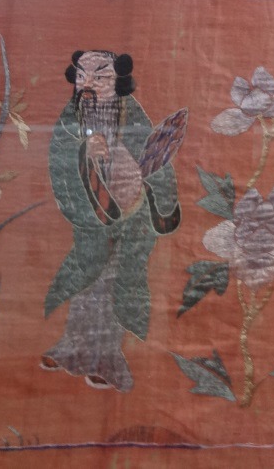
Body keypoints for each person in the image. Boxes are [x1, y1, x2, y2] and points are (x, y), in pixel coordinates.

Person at [43, 50, 181, 391]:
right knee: (87, 280)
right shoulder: (71, 116)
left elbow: (155, 157)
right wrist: (83, 152)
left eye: (99, 77)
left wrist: (161, 205)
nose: (87, 84)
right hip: (93, 214)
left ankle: (107, 361)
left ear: (118, 80)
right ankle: (71, 350)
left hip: (132, 216)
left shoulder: (131, 113)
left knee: (115, 286)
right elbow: (59, 156)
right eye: (81, 76)